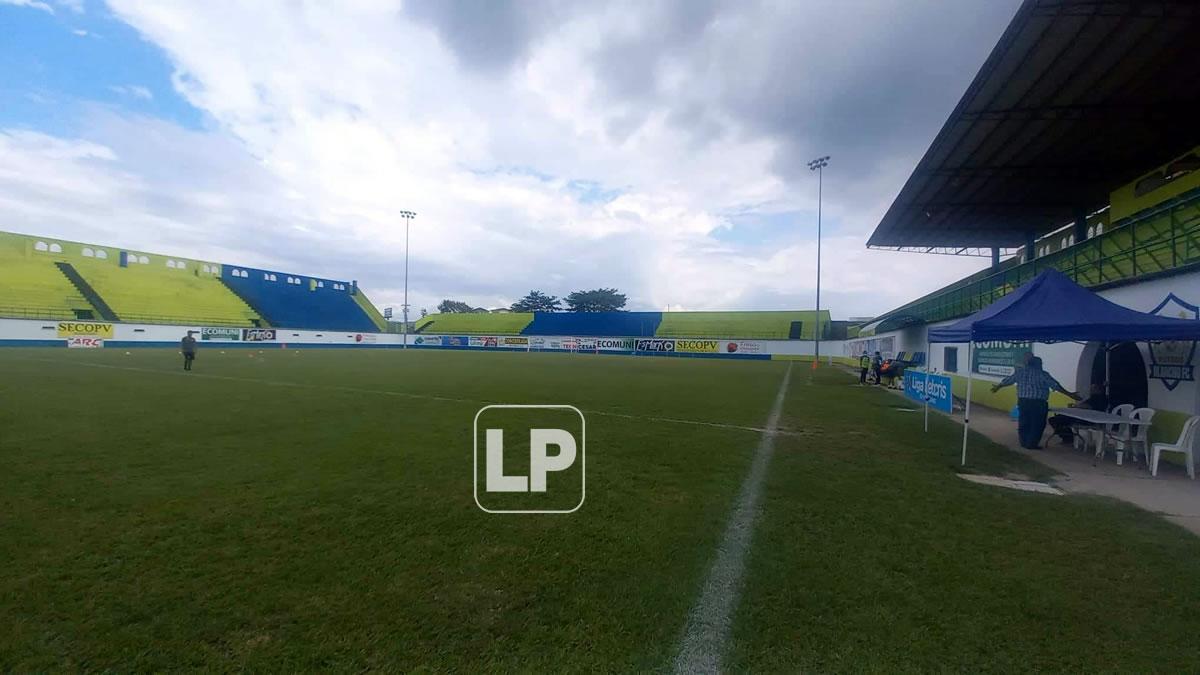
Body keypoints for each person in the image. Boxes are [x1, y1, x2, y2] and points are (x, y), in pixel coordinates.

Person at [991, 356, 1080, 449]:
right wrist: (1069, 394)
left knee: (1024, 422)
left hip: (1023, 401)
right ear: (1038, 364)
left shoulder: (1020, 372)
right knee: (1038, 424)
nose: (1042, 365)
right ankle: (1031, 444)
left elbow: (1008, 381)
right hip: (1038, 403)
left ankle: (1024, 442)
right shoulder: (1042, 374)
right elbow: (1055, 385)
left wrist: (998, 387)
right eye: (1041, 363)